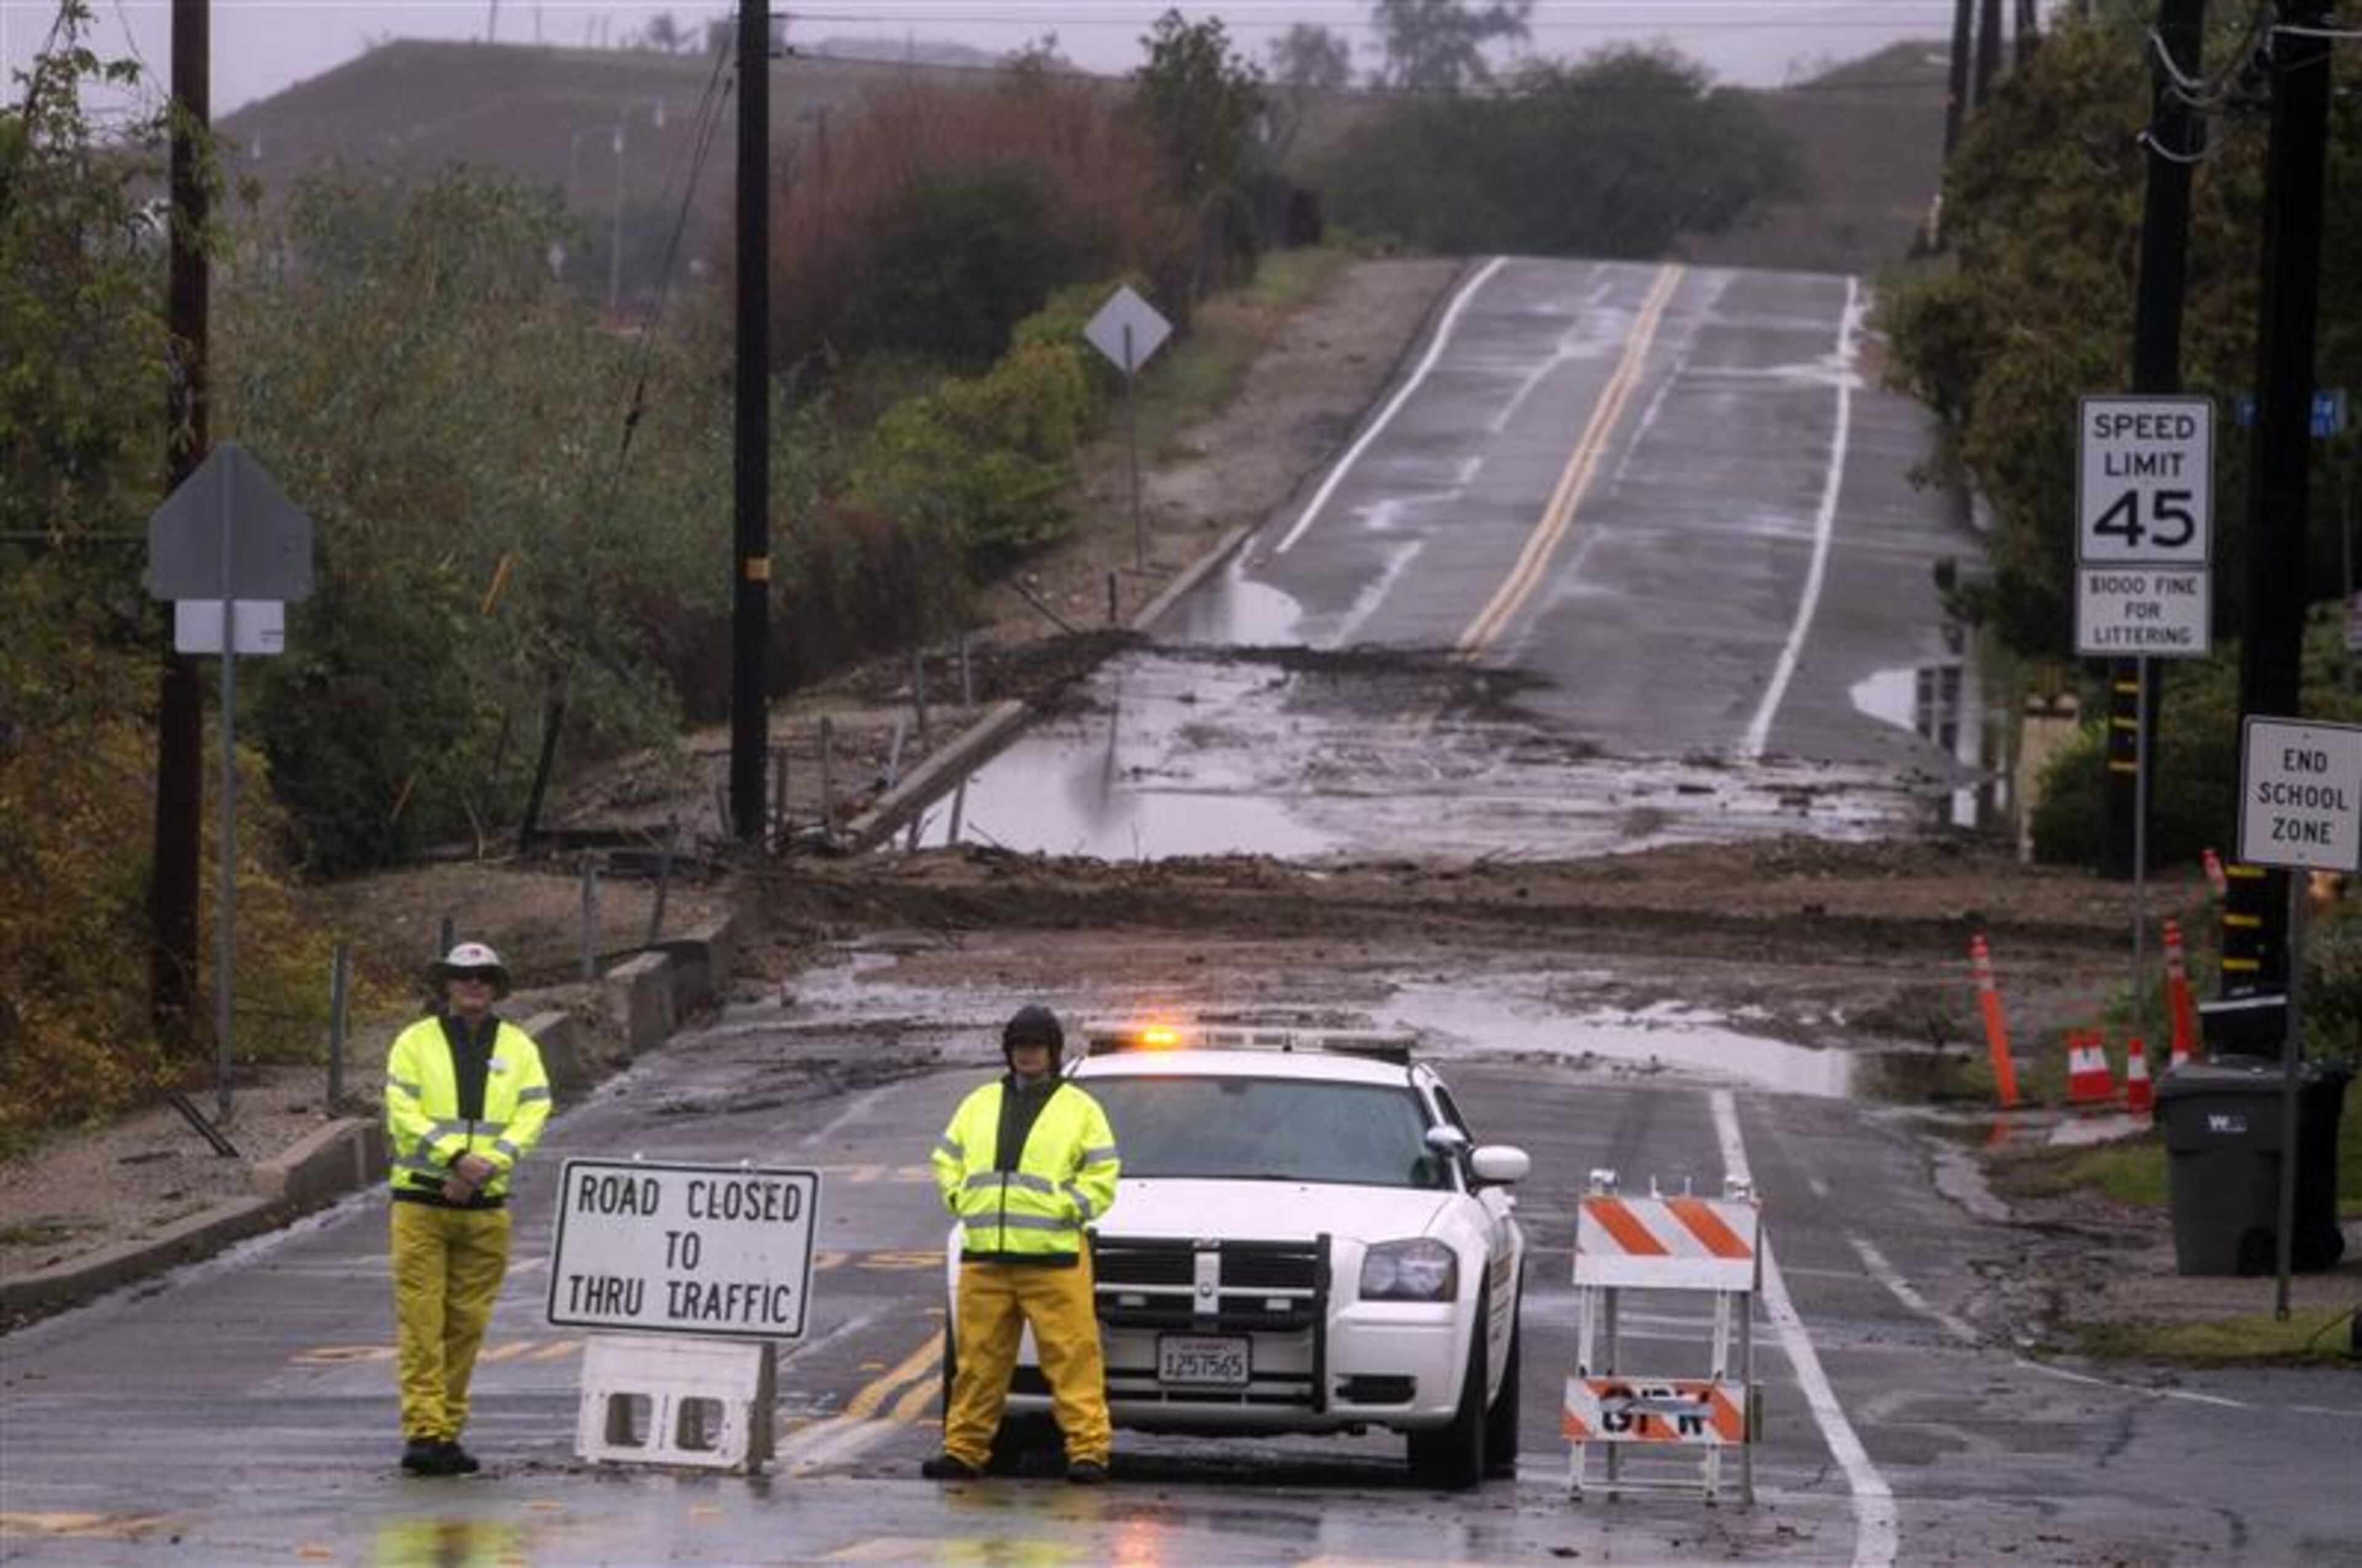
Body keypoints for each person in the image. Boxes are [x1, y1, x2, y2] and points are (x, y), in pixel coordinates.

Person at [925, 1004, 1121, 1484]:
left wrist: (1066, 1207)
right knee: (977, 1363)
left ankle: (1089, 1451)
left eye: (1035, 1046)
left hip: (1053, 1259)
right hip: (987, 1258)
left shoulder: (1081, 1109)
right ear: (1009, 1051)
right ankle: (964, 1451)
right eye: (1020, 1046)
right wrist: (960, 1198)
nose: (1027, 1054)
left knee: (1073, 1358)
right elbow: (946, 1158)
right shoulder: (979, 1103)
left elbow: (1103, 1175)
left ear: (1053, 1051)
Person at [384, 940, 552, 1476]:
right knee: (422, 1321)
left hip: (485, 1208)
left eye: (483, 977)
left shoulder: (520, 1047)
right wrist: (455, 1158)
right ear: (447, 985)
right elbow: (402, 1111)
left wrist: (489, 1164)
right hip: (422, 1203)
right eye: (462, 976)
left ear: (497, 986)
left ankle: (447, 1431)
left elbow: (535, 1112)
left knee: (466, 1325)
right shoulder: (414, 1042)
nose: (472, 985)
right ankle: (424, 1431)